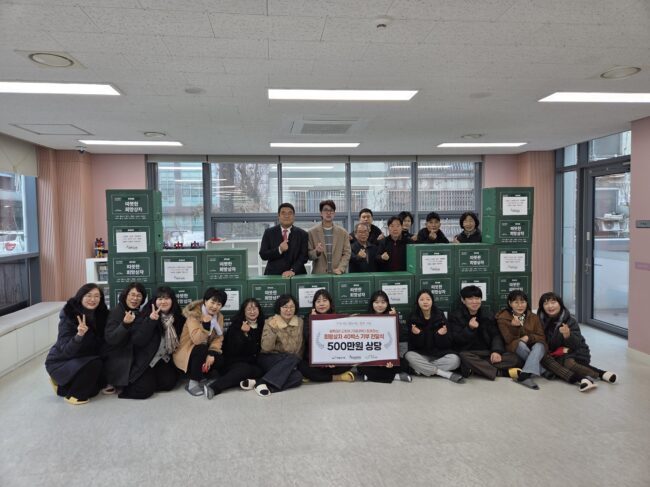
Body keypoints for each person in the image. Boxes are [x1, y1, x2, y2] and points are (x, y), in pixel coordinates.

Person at [496, 290, 597, 392]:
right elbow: (508, 340)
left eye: (523, 302)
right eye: (516, 302)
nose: (520, 305)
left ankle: (525, 375)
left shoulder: (533, 317)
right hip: (515, 348)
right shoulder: (503, 318)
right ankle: (543, 371)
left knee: (540, 346)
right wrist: (514, 327)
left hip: (536, 349)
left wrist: (529, 338)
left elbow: (541, 337)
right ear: (510, 303)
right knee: (521, 345)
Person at [45, 283, 108, 405]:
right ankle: (74, 396)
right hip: (61, 360)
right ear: (80, 297)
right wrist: (79, 335)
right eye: (88, 295)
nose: (93, 299)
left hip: (82, 357)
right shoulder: (69, 316)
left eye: (97, 296)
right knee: (95, 363)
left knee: (94, 391)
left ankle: (62, 387)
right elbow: (65, 349)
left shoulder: (101, 314)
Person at [118, 286, 184, 399]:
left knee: (168, 384)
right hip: (147, 360)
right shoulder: (145, 315)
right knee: (144, 391)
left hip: (164, 358)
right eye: (160, 298)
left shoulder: (178, 318)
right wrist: (151, 321)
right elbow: (138, 341)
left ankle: (152, 381)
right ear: (154, 301)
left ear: (172, 300)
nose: (163, 302)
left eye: (167, 298)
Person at [537, 291, 616, 384]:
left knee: (568, 363)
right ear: (542, 307)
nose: (550, 306)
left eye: (553, 302)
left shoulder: (570, 321)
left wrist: (567, 335)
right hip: (556, 354)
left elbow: (577, 344)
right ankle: (586, 378)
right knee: (549, 359)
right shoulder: (539, 322)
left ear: (560, 304)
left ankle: (599, 374)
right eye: (546, 303)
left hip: (576, 352)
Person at [448, 285, 520, 380]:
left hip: (486, 353)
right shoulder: (455, 316)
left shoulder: (487, 314)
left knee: (514, 358)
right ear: (463, 300)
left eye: (477, 298)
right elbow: (456, 340)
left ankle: (476, 368)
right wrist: (469, 328)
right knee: (463, 356)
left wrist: (496, 351)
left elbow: (496, 335)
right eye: (470, 299)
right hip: (469, 353)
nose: (474, 302)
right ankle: (499, 372)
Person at [204, 298, 266, 399]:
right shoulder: (236, 325)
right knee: (244, 370)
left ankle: (248, 382)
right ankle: (214, 387)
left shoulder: (263, 324)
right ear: (244, 311)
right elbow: (234, 350)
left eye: (255, 308)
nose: (252, 312)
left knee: (261, 370)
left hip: (253, 363)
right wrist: (244, 334)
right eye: (249, 309)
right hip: (233, 362)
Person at [173, 288, 227, 396]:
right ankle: (193, 382)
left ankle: (203, 377)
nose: (215, 306)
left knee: (219, 358)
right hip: (187, 353)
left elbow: (218, 337)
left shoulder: (219, 316)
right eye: (212, 302)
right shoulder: (194, 315)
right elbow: (197, 340)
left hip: (204, 351)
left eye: (219, 304)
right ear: (205, 301)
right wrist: (206, 325)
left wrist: (212, 353)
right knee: (201, 349)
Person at [248, 294, 304, 396]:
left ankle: (263, 384)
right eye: (285, 307)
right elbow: (266, 348)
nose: (288, 310)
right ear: (279, 308)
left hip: (289, 363)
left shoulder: (300, 322)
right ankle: (262, 383)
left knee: (297, 377)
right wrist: (273, 330)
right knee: (293, 357)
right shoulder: (270, 322)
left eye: (291, 307)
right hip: (269, 358)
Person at [404, 290, 464, 383]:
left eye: (428, 299)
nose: (425, 302)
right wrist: (418, 335)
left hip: (439, 355)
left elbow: (447, 344)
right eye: (422, 299)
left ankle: (421, 369)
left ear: (432, 301)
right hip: (422, 355)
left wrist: (441, 335)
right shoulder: (413, 317)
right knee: (408, 356)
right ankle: (444, 373)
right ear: (417, 302)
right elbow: (415, 345)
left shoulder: (440, 316)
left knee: (455, 360)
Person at [298, 289, 355, 383]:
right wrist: (314, 321)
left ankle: (321, 377)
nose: (321, 304)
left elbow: (343, 341)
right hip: (316, 360)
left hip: (335, 359)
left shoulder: (337, 317)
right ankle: (338, 377)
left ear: (330, 303)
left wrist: (333, 358)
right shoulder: (308, 317)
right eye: (318, 301)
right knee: (302, 366)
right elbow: (309, 338)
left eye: (324, 300)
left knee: (353, 359)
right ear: (314, 304)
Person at [103, 282, 147, 395]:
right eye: (132, 295)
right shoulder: (116, 312)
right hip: (118, 356)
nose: (135, 298)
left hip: (133, 353)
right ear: (125, 295)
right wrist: (125, 324)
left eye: (139, 296)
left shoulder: (138, 313)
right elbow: (111, 339)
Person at [357, 291, 411, 383]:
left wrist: (395, 319)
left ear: (387, 304)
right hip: (372, 356)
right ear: (372, 304)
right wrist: (377, 361)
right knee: (360, 367)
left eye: (383, 302)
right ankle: (395, 376)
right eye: (376, 302)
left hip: (388, 355)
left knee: (404, 364)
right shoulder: (366, 319)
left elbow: (399, 336)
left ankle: (371, 376)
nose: (380, 305)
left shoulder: (391, 317)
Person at [259, 202, 309, 277]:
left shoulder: (303, 234)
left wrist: (293, 270)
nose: (286, 216)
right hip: (273, 276)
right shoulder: (269, 232)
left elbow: (304, 257)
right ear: (278, 216)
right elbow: (263, 254)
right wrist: (279, 249)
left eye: (290, 213)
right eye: (283, 213)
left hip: (297, 275)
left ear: (294, 216)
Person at [308, 200, 351, 275]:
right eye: (325, 210)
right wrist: (316, 252)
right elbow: (308, 255)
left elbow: (347, 253)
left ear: (334, 213)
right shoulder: (312, 232)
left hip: (338, 274)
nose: (328, 213)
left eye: (331, 210)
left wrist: (341, 268)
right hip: (319, 275)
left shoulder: (343, 233)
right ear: (321, 213)